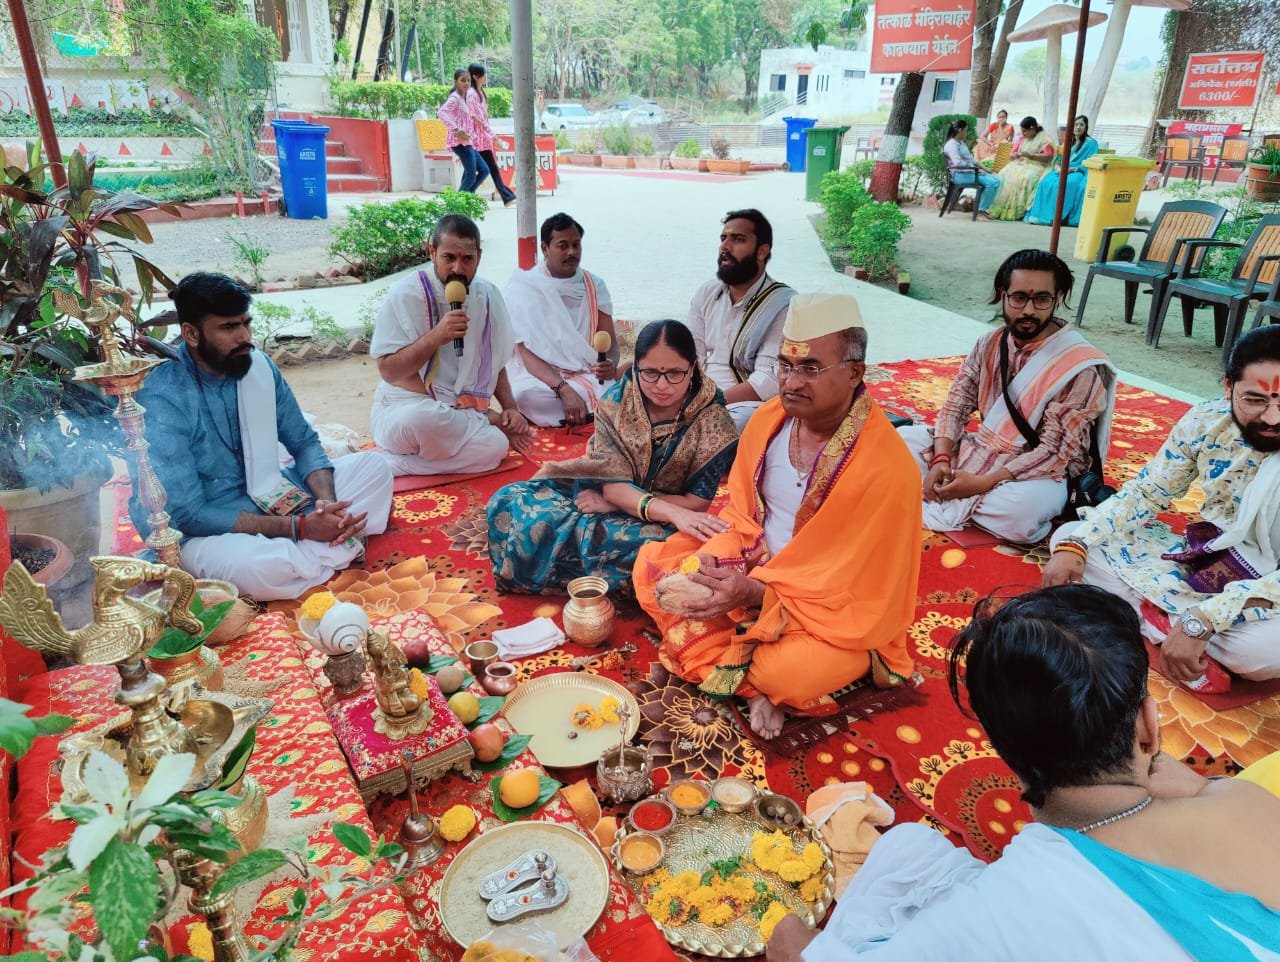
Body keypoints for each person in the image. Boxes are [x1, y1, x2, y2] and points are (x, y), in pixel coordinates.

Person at [767, 585, 1280, 962]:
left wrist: (786, 935)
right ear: (1150, 724)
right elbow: (1189, 790)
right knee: (913, 856)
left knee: (903, 857)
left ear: (999, 748)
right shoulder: (1246, 801)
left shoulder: (1016, 899)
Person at [634, 293, 920, 740]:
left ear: (854, 373)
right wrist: (724, 561)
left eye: (810, 368)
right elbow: (743, 516)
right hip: (759, 561)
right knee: (653, 569)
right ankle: (753, 678)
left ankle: (763, 681)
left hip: (832, 611)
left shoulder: (889, 469)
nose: (791, 381)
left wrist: (756, 593)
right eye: (785, 365)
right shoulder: (768, 421)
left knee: (786, 675)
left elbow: (864, 587)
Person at [1043, 325, 1280, 694]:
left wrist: (1205, 620)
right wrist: (1080, 544)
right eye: (1255, 400)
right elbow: (1150, 491)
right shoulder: (1207, 421)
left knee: (1263, 653)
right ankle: (1168, 624)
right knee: (1070, 539)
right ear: (1228, 387)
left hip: (1271, 585)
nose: (1273, 418)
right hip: (1211, 559)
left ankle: (1164, 619)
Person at [130, 273, 393, 601]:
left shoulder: (257, 367)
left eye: (246, 323)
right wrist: (300, 528)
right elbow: (187, 513)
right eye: (229, 327)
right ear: (191, 334)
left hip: (273, 493)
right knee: (258, 567)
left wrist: (327, 504)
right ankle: (332, 546)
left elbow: (303, 441)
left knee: (374, 469)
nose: (245, 337)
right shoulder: (163, 397)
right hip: (206, 527)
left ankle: (317, 550)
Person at [487, 320, 738, 594]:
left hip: (666, 519)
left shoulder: (714, 419)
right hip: (605, 492)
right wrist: (616, 500)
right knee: (510, 499)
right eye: (650, 373)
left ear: (693, 368)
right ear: (636, 367)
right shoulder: (618, 400)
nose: (662, 385)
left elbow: (697, 504)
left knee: (659, 549)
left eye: (675, 373)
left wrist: (624, 506)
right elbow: (612, 486)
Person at [898, 249, 1115, 545]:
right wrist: (940, 460)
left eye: (1041, 299)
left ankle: (949, 494)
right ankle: (956, 491)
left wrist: (983, 482)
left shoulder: (1078, 366)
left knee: (1021, 514)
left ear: (1058, 297)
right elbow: (956, 404)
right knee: (897, 442)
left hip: (1040, 471)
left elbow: (1054, 452)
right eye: (1019, 298)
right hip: (984, 447)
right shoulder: (989, 342)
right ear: (1003, 295)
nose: (1028, 310)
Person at [369, 214, 533, 476]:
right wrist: (436, 336)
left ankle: (396, 465)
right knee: (426, 419)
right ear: (432, 252)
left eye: (467, 259)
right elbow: (389, 371)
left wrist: (511, 409)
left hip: (457, 415)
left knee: (496, 446)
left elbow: (495, 361)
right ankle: (482, 420)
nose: (458, 268)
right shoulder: (405, 293)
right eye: (449, 258)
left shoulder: (488, 296)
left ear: (479, 255)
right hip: (406, 410)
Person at [503, 212, 620, 427]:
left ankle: (581, 409)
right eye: (563, 245)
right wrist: (563, 389)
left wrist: (610, 364)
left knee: (618, 385)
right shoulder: (524, 288)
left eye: (576, 245)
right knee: (524, 395)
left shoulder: (595, 285)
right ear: (545, 249)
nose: (572, 252)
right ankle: (591, 410)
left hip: (586, 373)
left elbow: (609, 342)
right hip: (541, 379)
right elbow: (525, 354)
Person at [687, 209, 796, 430]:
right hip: (695, 396)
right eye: (723, 238)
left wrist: (708, 404)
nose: (725, 247)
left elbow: (767, 380)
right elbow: (689, 355)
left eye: (738, 239)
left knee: (727, 426)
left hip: (743, 405)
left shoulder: (783, 304)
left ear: (762, 251)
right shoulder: (707, 292)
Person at [1025, 115, 1099, 227]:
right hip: (1062, 170)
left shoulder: (1091, 143)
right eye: (1076, 124)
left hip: (1078, 171)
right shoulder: (1068, 142)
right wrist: (1058, 168)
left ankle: (1056, 217)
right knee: (1046, 182)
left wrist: (1074, 169)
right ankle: (1040, 216)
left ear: (1086, 127)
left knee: (1064, 184)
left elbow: (1091, 161)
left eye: (1081, 125)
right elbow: (1058, 159)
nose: (1078, 127)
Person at [987, 116, 1056, 222]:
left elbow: (1049, 157)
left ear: (1032, 128)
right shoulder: (1022, 138)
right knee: (1003, 174)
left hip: (1037, 165)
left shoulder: (1044, 139)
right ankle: (998, 208)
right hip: (1019, 163)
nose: (1023, 134)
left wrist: (1031, 155)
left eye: (1025, 131)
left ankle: (1017, 211)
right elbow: (1012, 154)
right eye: (1022, 131)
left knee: (1026, 178)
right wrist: (1014, 156)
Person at [467, 63, 516, 208]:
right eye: (483, 75)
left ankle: (506, 196)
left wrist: (490, 136)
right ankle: (465, 195)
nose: (485, 77)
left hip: (483, 138)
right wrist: (493, 135)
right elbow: (477, 117)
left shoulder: (480, 92)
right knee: (478, 170)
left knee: (488, 168)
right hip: (476, 139)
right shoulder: (471, 94)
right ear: (475, 76)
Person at [437, 68, 490, 195]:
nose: (466, 83)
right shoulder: (455, 98)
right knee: (471, 175)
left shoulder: (463, 97)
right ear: (456, 82)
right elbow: (441, 112)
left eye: (468, 81)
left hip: (468, 142)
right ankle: (459, 204)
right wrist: (456, 129)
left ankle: (467, 196)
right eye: (463, 80)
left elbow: (465, 116)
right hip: (460, 143)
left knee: (484, 170)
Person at [940, 119, 999, 219]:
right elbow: (957, 162)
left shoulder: (961, 143)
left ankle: (982, 208)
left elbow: (973, 160)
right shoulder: (951, 145)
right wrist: (974, 169)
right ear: (960, 130)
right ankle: (980, 210)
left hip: (969, 173)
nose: (966, 132)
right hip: (960, 175)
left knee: (996, 180)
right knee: (991, 183)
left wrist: (986, 169)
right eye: (966, 130)